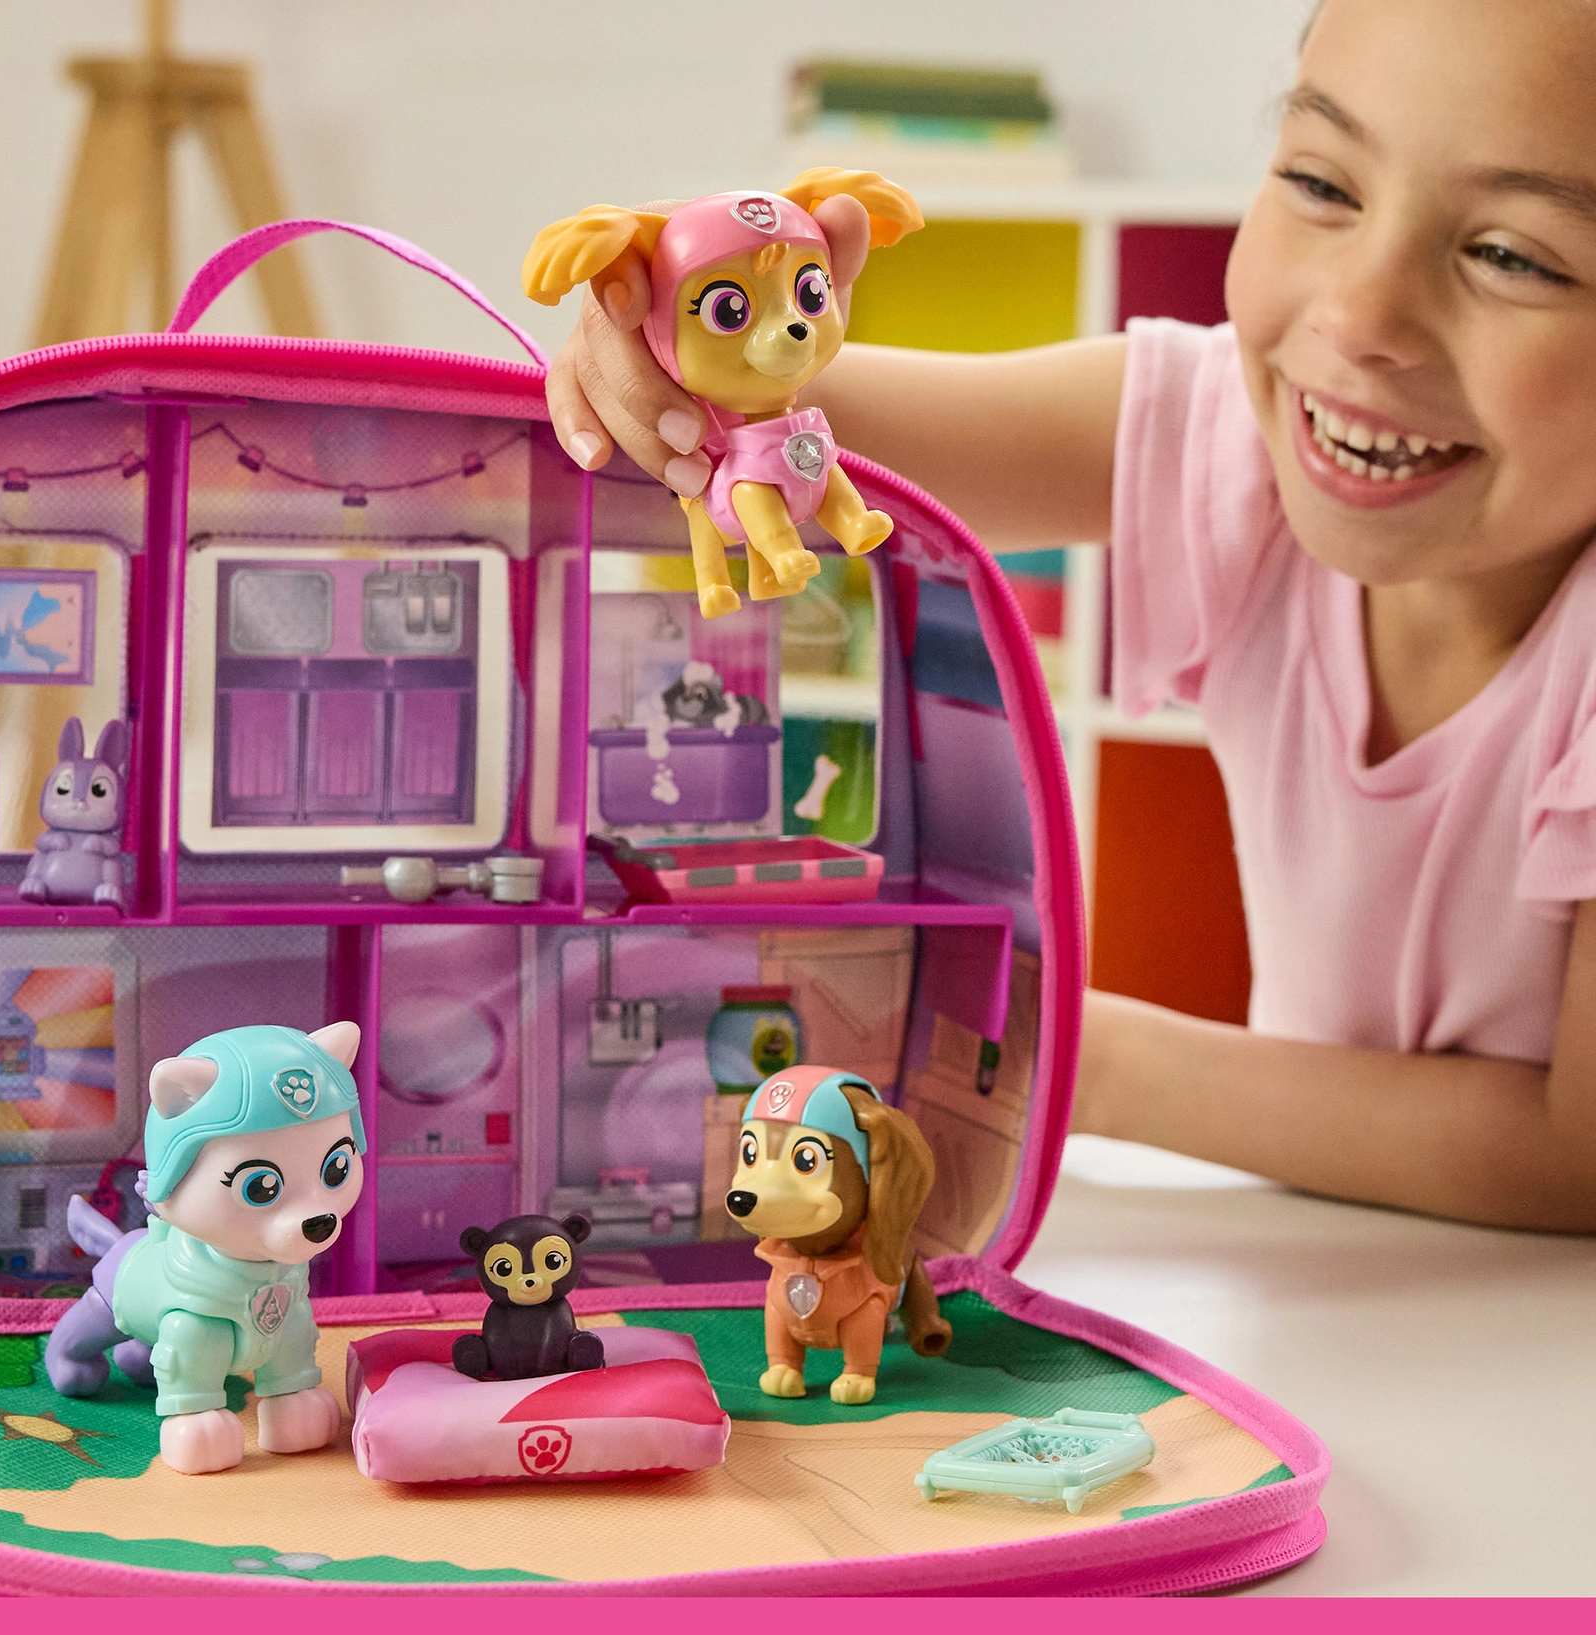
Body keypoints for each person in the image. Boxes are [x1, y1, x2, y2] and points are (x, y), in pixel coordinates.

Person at [543, 0, 1596, 1231]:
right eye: (1320, 182)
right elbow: (787, 422)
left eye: (1511, 256)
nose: (1356, 319)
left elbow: (1573, 1150)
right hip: (1340, 1272)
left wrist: (1076, 1054)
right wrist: (666, 345)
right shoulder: (1246, 431)